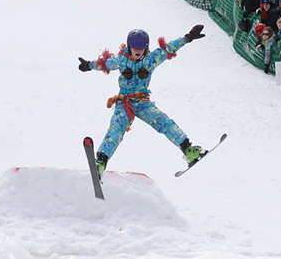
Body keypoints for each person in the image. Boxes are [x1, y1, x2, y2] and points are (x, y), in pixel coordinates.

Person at [78, 26, 208, 177]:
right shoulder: (121, 60)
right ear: (129, 46)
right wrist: (88, 65)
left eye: (141, 47)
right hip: (124, 103)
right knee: (116, 129)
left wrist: (188, 37)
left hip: (142, 102)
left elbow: (170, 47)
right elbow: (105, 64)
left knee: (164, 122)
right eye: (134, 47)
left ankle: (188, 150)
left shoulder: (152, 58)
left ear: (146, 48)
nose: (137, 50)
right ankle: (100, 162)